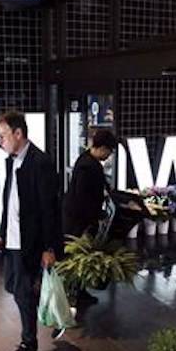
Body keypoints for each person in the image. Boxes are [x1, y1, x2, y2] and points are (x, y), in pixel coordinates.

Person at [0, 111, 61, 351]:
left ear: (18, 134)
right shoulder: (11, 161)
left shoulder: (40, 163)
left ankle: (29, 344)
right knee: (13, 287)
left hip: (30, 243)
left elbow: (49, 210)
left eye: (2, 136)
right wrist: (2, 232)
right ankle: (36, 323)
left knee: (22, 291)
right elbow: (9, 200)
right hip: (12, 238)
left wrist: (49, 247)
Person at [62, 129, 117, 303]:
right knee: (78, 257)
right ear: (101, 148)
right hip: (79, 222)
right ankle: (74, 295)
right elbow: (82, 198)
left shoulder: (86, 159)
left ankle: (79, 292)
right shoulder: (88, 166)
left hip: (78, 219)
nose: (108, 156)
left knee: (80, 257)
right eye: (108, 152)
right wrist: (96, 214)